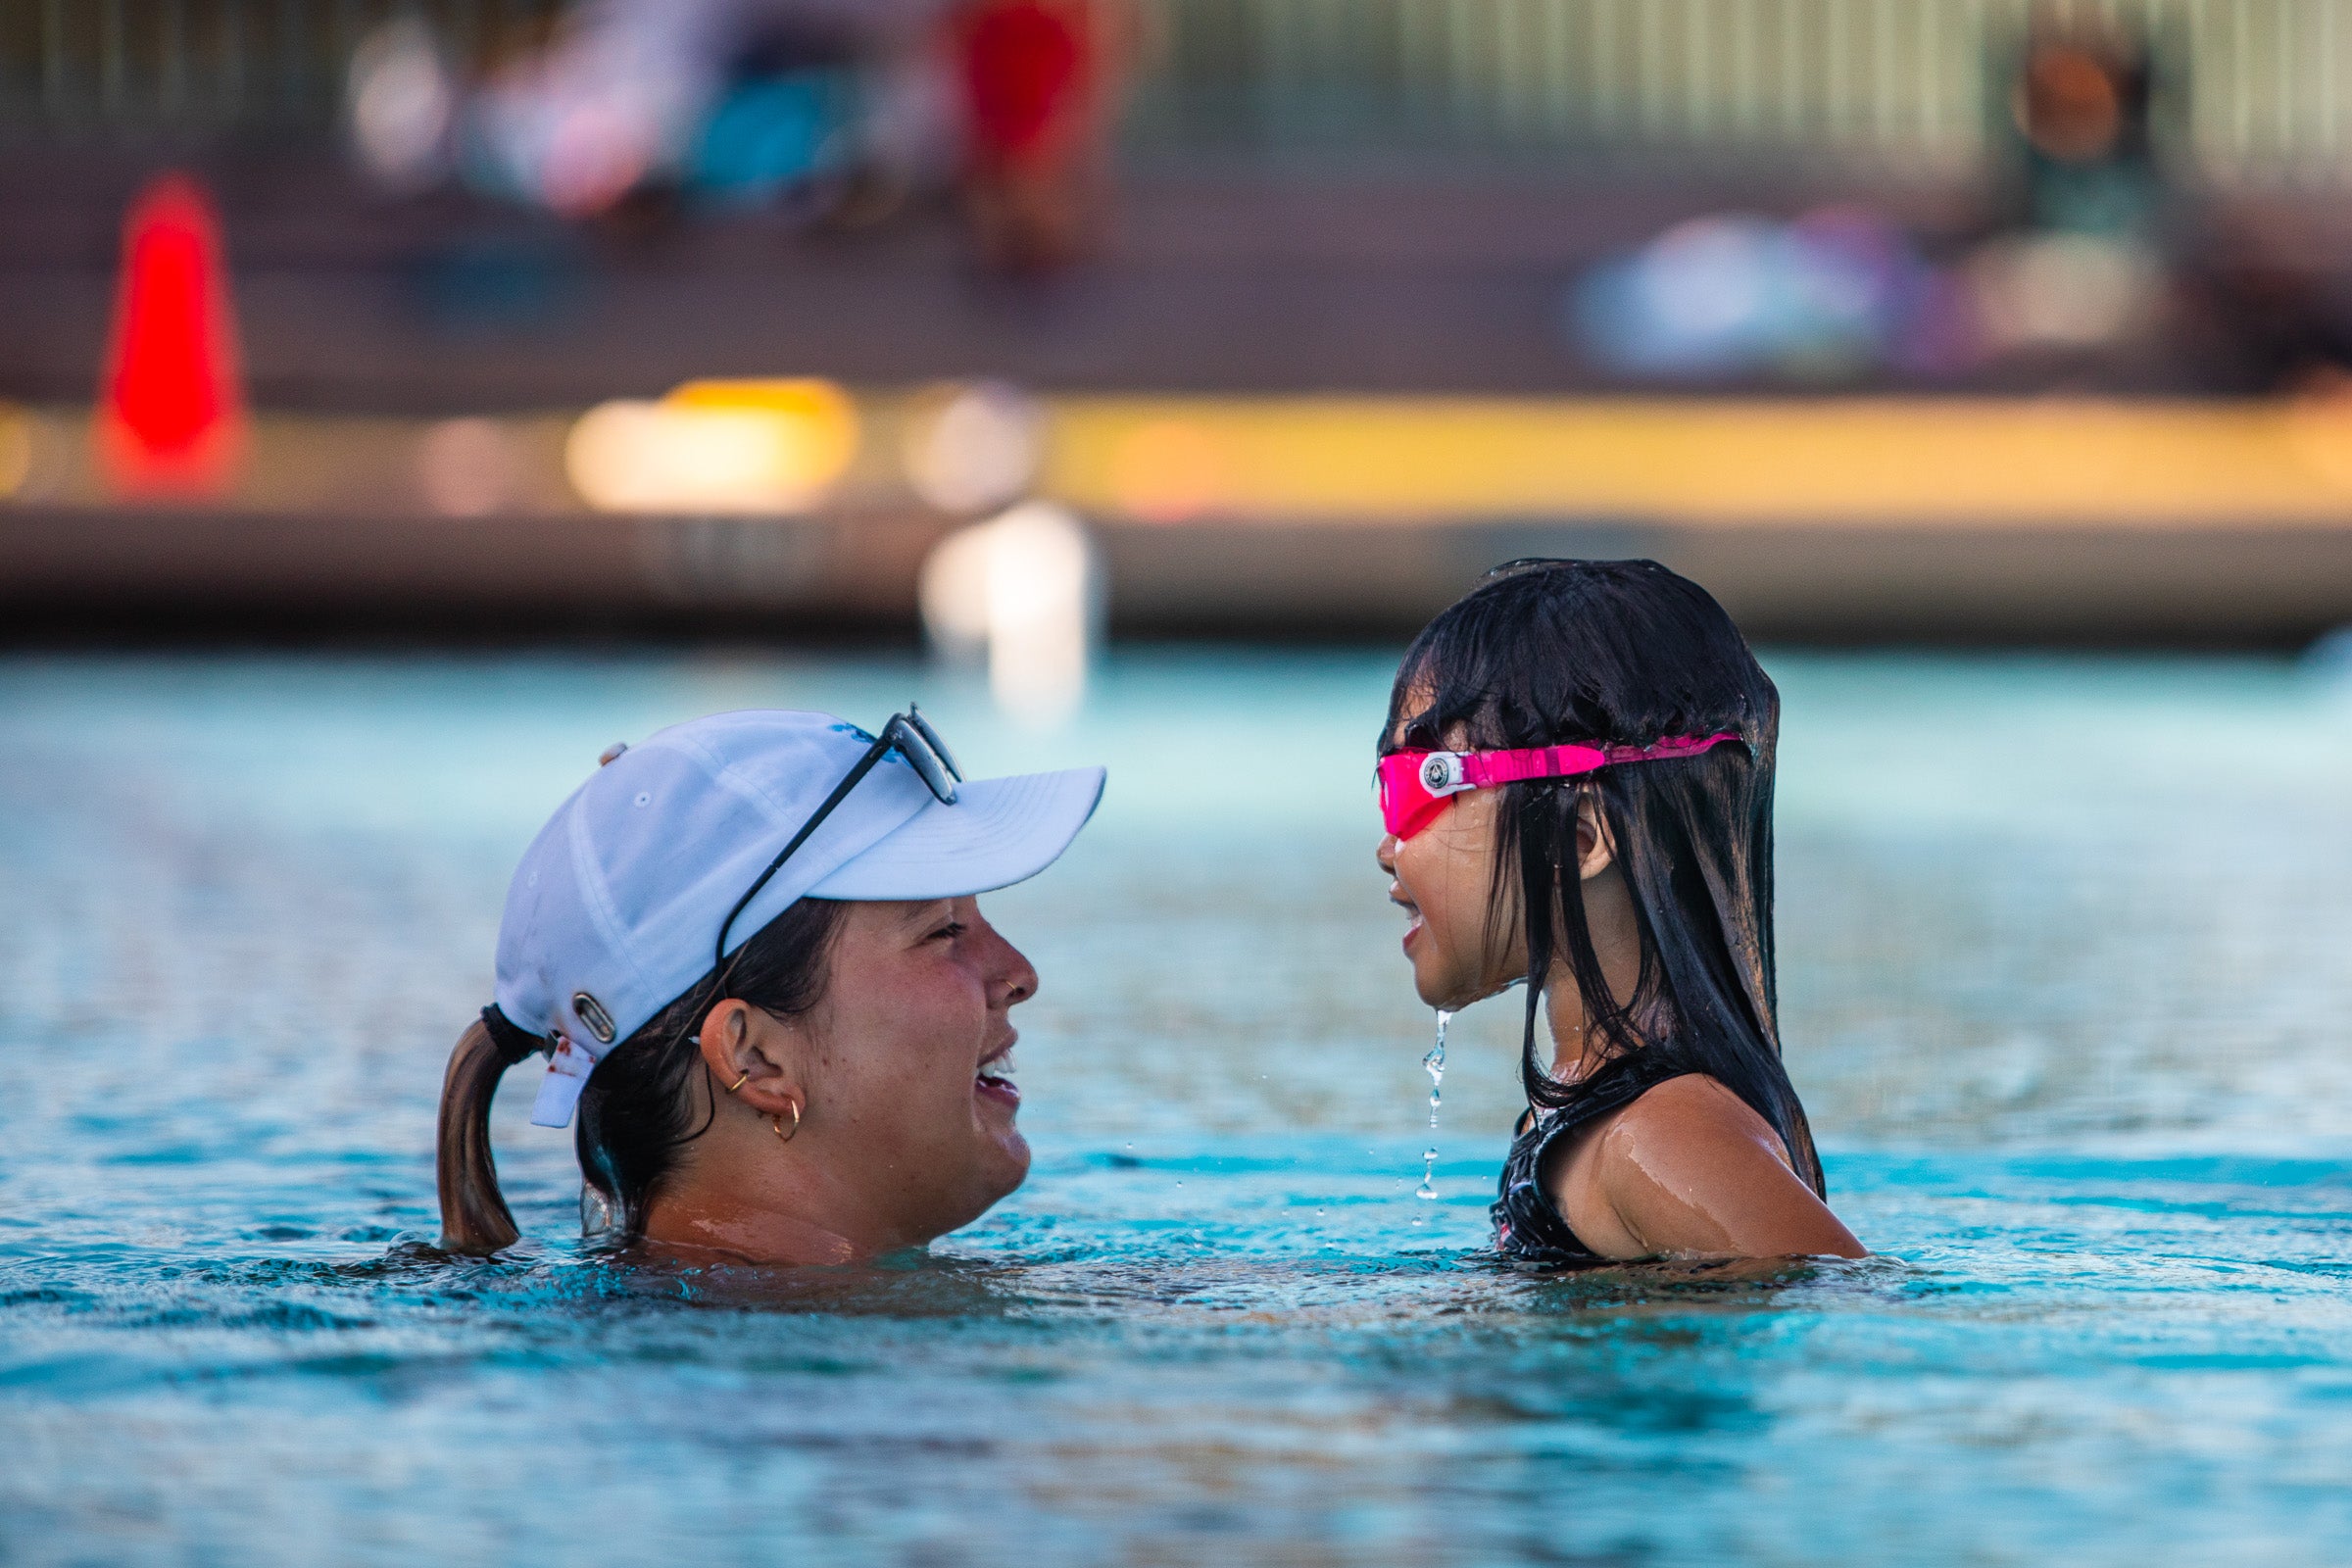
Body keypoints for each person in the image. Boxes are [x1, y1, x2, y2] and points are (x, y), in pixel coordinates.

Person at [435, 707, 1103, 1264]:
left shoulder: (679, 1359)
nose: (1019, 975)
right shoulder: (819, 1403)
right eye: (944, 932)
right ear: (755, 1058)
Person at [1375, 560, 1864, 1266]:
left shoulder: (1658, 1138)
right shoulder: (1583, 1110)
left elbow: (1853, 1304)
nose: (1390, 848)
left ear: (1580, 841)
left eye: (1416, 788)